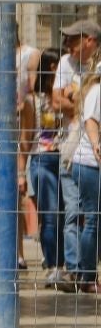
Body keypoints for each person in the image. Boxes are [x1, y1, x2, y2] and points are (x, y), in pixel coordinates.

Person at [56, 19, 100, 282]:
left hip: (84, 149)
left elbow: (68, 99)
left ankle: (83, 271)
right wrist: (80, 106)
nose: (68, 45)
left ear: (90, 41)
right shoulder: (66, 63)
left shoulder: (94, 72)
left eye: (74, 39)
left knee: (91, 217)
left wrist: (77, 99)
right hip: (74, 149)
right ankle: (77, 271)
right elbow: (56, 98)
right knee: (75, 213)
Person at [26, 47, 64, 282]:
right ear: (52, 67)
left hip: (65, 158)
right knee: (50, 215)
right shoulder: (34, 99)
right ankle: (53, 264)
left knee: (67, 214)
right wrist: (21, 171)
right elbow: (27, 136)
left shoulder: (65, 96)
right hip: (42, 158)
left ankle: (66, 262)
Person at [64, 56, 101, 291]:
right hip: (90, 163)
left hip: (92, 164)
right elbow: (90, 121)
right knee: (93, 218)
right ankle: (87, 277)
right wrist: (97, 146)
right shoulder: (97, 90)